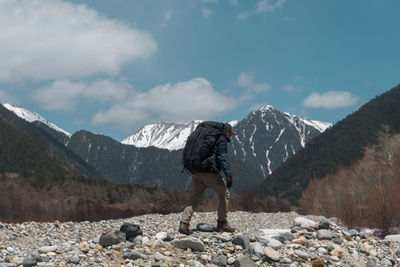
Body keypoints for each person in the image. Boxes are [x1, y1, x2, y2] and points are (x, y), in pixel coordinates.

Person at [179, 122, 236, 234]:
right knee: (224, 195)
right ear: (227, 131)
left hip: (196, 171)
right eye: (231, 134)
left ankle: (184, 223)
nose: (230, 137)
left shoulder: (203, 134)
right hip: (209, 172)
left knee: (195, 198)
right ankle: (222, 223)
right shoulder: (221, 137)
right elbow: (222, 156)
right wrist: (228, 174)